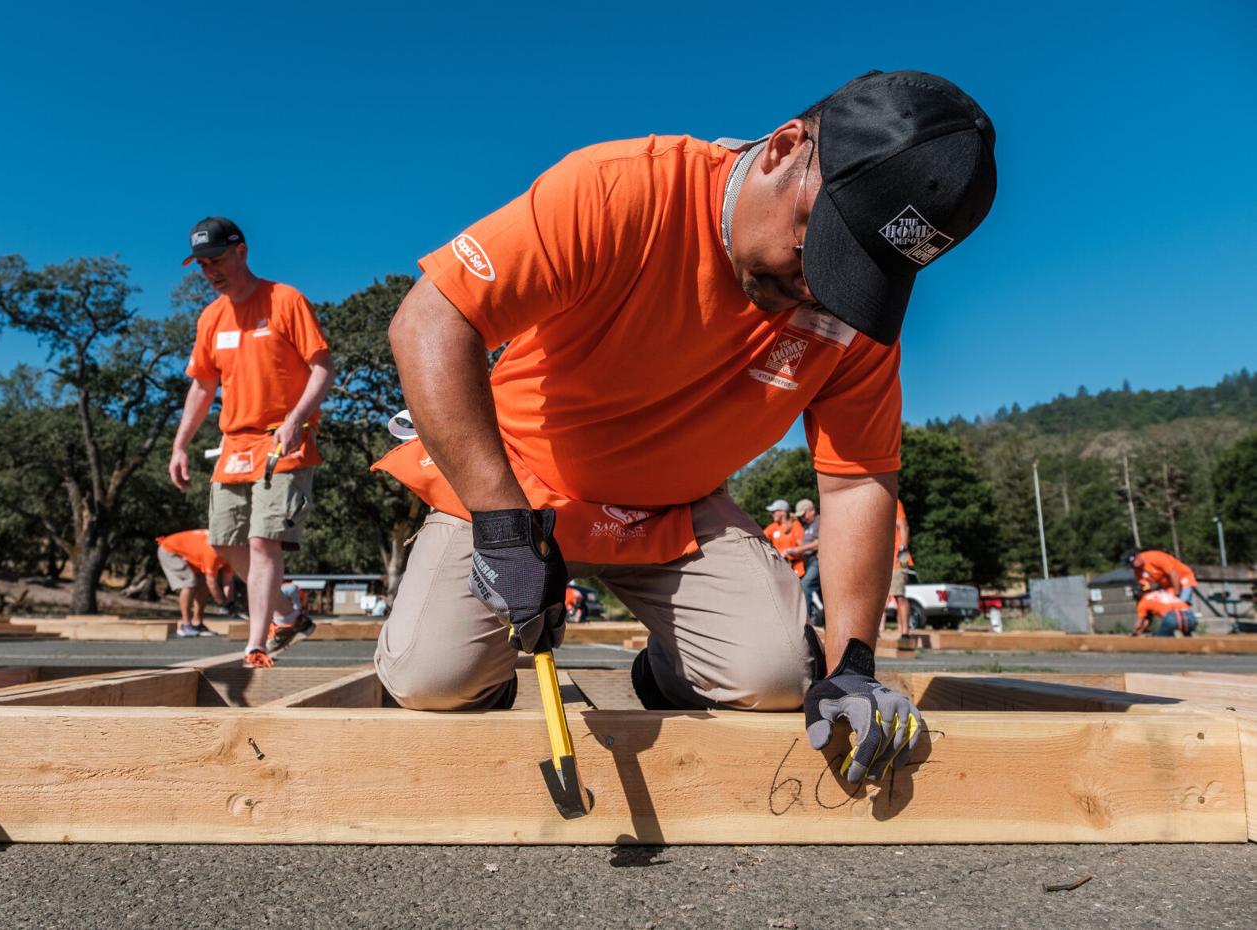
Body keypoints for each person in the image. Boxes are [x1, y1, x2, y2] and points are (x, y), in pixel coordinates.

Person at [375, 70, 996, 785]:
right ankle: (486, 673)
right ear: (785, 148)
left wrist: (852, 667)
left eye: (857, 270)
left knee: (779, 677)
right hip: (519, 486)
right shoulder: (620, 190)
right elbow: (430, 320)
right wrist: (500, 520)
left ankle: (671, 673)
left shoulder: (854, 318)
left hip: (676, 511)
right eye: (818, 245)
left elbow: (857, 482)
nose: (820, 287)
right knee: (434, 680)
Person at [168, 217, 335, 668]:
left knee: (263, 542)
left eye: (216, 260)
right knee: (224, 543)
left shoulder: (285, 300)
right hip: (234, 446)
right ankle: (287, 611)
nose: (210, 272)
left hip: (284, 440)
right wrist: (180, 445)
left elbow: (322, 366)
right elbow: (202, 387)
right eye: (202, 265)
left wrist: (297, 418)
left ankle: (255, 645)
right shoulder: (211, 318)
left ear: (241, 251)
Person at [155, 529, 233, 637]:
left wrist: (230, 602)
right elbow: (212, 582)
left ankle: (197, 623)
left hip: (189, 554)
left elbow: (228, 581)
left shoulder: (230, 554)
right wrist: (222, 603)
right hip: (169, 550)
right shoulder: (213, 552)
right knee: (189, 582)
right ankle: (185, 625)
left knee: (202, 584)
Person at [881, 500, 913, 635]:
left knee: (899, 595)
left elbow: (904, 526)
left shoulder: (893, 501)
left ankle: (905, 633)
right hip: (884, 558)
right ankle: (880, 631)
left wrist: (902, 550)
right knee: (881, 596)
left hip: (897, 558)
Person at [1123, 549, 1199, 605]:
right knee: (1167, 607)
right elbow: (1146, 586)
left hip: (1183, 577)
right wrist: (1141, 590)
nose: (1134, 567)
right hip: (1169, 585)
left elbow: (1174, 574)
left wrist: (1177, 594)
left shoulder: (1155, 557)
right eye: (1132, 566)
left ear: (1137, 556)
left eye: (1134, 563)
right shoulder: (1137, 571)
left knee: (1181, 604)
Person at [788, 499, 821, 615]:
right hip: (809, 563)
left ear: (811, 510)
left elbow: (820, 542)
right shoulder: (807, 526)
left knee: (805, 585)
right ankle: (816, 618)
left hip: (818, 561)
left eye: (803, 515)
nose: (802, 518)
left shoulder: (820, 521)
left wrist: (799, 549)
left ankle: (808, 620)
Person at [1132, 586, 1198, 637]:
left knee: (1160, 640)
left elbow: (1139, 623)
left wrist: (1135, 633)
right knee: (1187, 640)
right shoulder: (1161, 593)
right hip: (1190, 617)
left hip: (1173, 617)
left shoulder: (1143, 602)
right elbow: (1146, 621)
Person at [762, 499, 803, 571]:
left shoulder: (796, 525)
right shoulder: (773, 526)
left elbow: (802, 548)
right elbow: (761, 538)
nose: (772, 514)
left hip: (796, 568)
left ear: (783, 512)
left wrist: (789, 553)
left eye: (774, 511)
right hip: (780, 567)